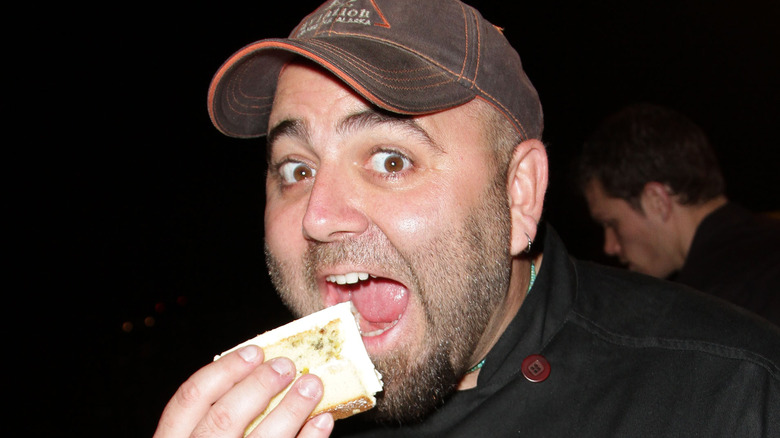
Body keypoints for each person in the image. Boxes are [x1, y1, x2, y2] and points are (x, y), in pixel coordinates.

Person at [154, 1, 780, 437]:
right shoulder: (269, 425)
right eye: (295, 168)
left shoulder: (739, 397)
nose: (319, 217)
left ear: (519, 195)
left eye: (391, 159)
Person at [579, 103, 780, 325]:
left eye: (611, 223)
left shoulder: (709, 306)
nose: (610, 246)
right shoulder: (765, 252)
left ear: (656, 201)